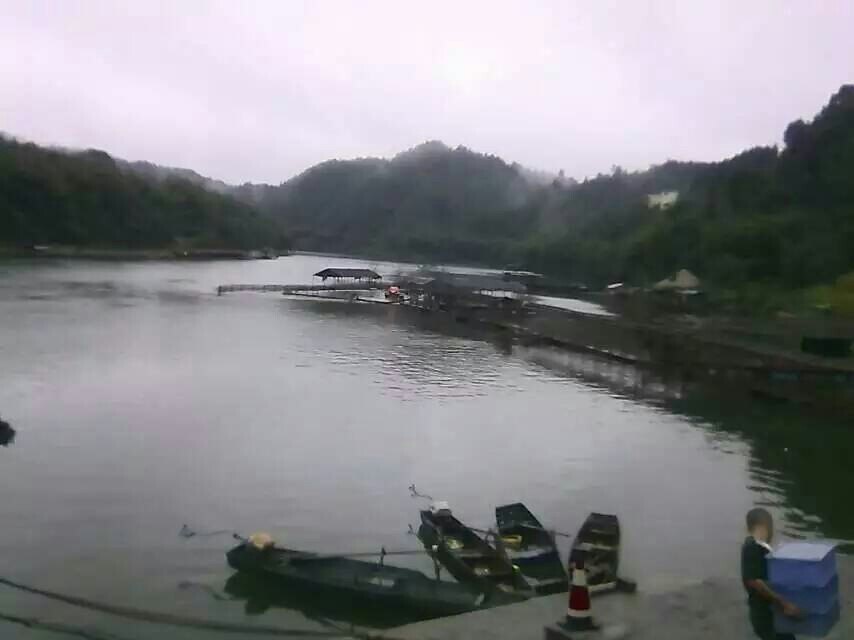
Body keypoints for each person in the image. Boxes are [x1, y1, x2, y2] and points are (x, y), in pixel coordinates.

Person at [741, 508, 801, 640]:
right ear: (764, 526)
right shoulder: (752, 548)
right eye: (771, 526)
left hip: (770, 614)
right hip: (764, 616)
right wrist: (783, 602)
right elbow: (755, 582)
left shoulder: (759, 547)